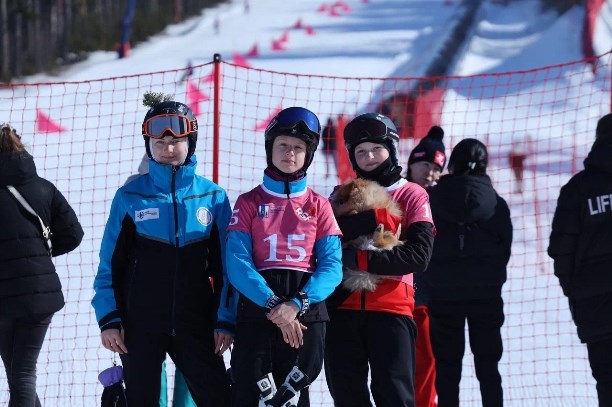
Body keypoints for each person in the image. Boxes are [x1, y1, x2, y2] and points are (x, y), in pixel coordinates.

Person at [92, 94, 236, 406]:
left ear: (190, 142)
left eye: (175, 142)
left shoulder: (213, 197)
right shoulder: (129, 196)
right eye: (159, 143)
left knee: (219, 399)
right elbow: (109, 266)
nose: (168, 150)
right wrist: (109, 318)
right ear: (149, 146)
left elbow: (227, 269)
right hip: (139, 327)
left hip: (197, 323)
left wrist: (225, 319)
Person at [226, 106, 343, 407]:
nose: (290, 153)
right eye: (283, 145)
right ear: (270, 148)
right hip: (259, 308)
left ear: (308, 154)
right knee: (250, 394)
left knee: (294, 396)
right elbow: (237, 262)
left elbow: (332, 266)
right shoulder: (249, 202)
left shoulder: (320, 205)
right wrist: (274, 305)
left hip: (305, 311)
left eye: (298, 147)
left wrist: (296, 305)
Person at [324, 112, 436, 407]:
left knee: (395, 396)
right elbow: (321, 245)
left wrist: (357, 258)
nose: (369, 157)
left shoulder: (411, 194)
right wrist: (367, 221)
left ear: (392, 149)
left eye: (376, 148)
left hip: (392, 309)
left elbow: (418, 256)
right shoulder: (341, 194)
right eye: (360, 151)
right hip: (342, 308)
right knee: (347, 397)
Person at [0, 124, 84, 406]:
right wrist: (40, 254)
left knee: (20, 373)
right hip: (40, 292)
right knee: (21, 373)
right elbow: (74, 234)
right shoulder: (44, 187)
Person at [425, 138, 512, 407]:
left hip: (442, 295)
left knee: (446, 369)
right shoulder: (496, 203)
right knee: (489, 368)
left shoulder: (432, 199)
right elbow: (504, 249)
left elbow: (422, 243)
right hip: (486, 296)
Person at [548, 112, 612, 407]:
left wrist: (575, 292)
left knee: (606, 381)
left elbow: (561, 250)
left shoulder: (576, 189)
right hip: (592, 302)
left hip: (594, 306)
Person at [124, 153, 197, 407]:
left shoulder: (195, 190)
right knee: (150, 374)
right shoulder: (131, 193)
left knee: (191, 368)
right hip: (145, 303)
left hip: (187, 301)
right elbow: (116, 257)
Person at [406, 125, 447, 407]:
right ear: (411, 165)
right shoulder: (398, 194)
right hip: (395, 294)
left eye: (436, 168)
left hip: (427, 298)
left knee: (427, 359)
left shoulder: (443, 201)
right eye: (425, 165)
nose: (430, 173)